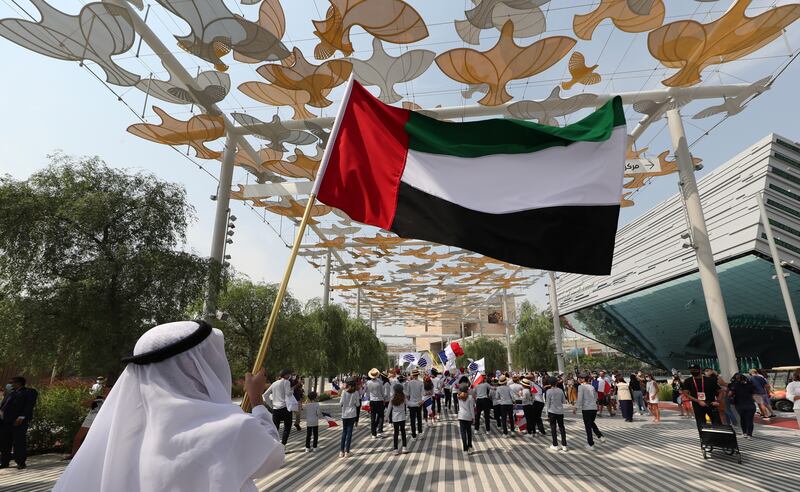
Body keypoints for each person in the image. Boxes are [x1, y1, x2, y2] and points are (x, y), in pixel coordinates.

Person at [54, 320, 284, 492]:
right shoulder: (231, 428)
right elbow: (271, 456)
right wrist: (256, 400)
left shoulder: (116, 432)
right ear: (198, 367)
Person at [0, 376, 38, 470]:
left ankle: (20, 462)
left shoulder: (29, 392)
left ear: (18, 383)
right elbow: (3, 406)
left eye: (12, 382)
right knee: (4, 442)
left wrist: (21, 417)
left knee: (18, 442)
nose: (10, 384)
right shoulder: (10, 394)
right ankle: (4, 462)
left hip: (18, 422)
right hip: (5, 422)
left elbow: (29, 406)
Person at [683, 364, 722, 431]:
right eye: (691, 370)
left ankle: (719, 439)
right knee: (701, 424)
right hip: (697, 405)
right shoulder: (688, 381)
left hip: (711, 403)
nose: (693, 372)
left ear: (700, 370)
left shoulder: (710, 380)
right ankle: (704, 440)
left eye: (695, 370)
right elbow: (686, 394)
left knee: (717, 423)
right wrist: (698, 401)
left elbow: (721, 391)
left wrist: (717, 401)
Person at [574, 374, 606, 450]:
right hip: (593, 408)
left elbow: (580, 398)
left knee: (588, 426)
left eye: (579, 378)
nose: (578, 380)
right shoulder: (592, 386)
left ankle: (591, 444)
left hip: (586, 408)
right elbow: (596, 397)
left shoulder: (581, 387)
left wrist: (576, 407)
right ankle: (600, 436)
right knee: (591, 423)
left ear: (582, 379)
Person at [263, 368, 294, 445]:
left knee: (275, 428)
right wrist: (292, 391)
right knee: (287, 427)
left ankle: (274, 444)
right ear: (286, 375)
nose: (290, 376)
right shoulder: (286, 382)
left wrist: (271, 405)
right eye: (289, 374)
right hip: (285, 408)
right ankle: (283, 445)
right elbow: (288, 393)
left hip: (275, 409)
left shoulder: (274, 383)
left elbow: (265, 395)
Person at [728, 374, 756, 438]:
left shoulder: (734, 385)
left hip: (740, 404)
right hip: (750, 404)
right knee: (750, 420)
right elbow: (754, 393)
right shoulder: (750, 384)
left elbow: (729, 394)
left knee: (743, 419)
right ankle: (749, 434)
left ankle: (744, 433)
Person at [545, 377, 567, 452]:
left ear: (549, 384)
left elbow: (547, 402)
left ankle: (555, 445)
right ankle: (564, 445)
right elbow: (564, 401)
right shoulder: (560, 390)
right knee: (562, 427)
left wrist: (546, 412)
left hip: (552, 411)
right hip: (560, 411)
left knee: (553, 428)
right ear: (556, 383)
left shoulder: (548, 391)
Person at [340, 377, 359, 458]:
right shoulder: (356, 393)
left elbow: (340, 403)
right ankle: (347, 451)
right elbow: (358, 404)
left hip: (344, 414)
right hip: (352, 414)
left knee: (344, 432)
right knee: (349, 432)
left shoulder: (344, 392)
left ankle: (341, 452)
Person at [405, 369, 424, 441]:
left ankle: (413, 436)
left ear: (412, 375)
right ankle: (420, 433)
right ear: (418, 375)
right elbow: (423, 394)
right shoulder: (421, 383)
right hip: (419, 403)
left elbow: (408, 394)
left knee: (412, 420)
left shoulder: (409, 383)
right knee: (419, 418)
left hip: (412, 403)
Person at [389, 384, 408, 455]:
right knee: (403, 431)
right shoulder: (403, 397)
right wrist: (417, 403)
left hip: (395, 417)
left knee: (396, 433)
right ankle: (404, 447)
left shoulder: (392, 398)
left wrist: (386, 417)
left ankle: (395, 449)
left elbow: (389, 408)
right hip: (402, 417)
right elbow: (409, 404)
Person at [366, 368, 385, 438]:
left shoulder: (368, 383)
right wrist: (384, 398)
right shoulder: (380, 382)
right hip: (379, 400)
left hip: (372, 401)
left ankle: (373, 433)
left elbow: (367, 392)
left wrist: (369, 398)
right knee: (381, 416)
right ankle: (380, 430)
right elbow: (382, 392)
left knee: (373, 417)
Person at [457, 383, 474, 456]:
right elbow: (471, 409)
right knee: (469, 432)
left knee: (463, 433)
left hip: (461, 416)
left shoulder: (458, 397)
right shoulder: (470, 398)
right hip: (468, 416)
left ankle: (465, 449)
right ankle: (470, 447)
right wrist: (473, 417)